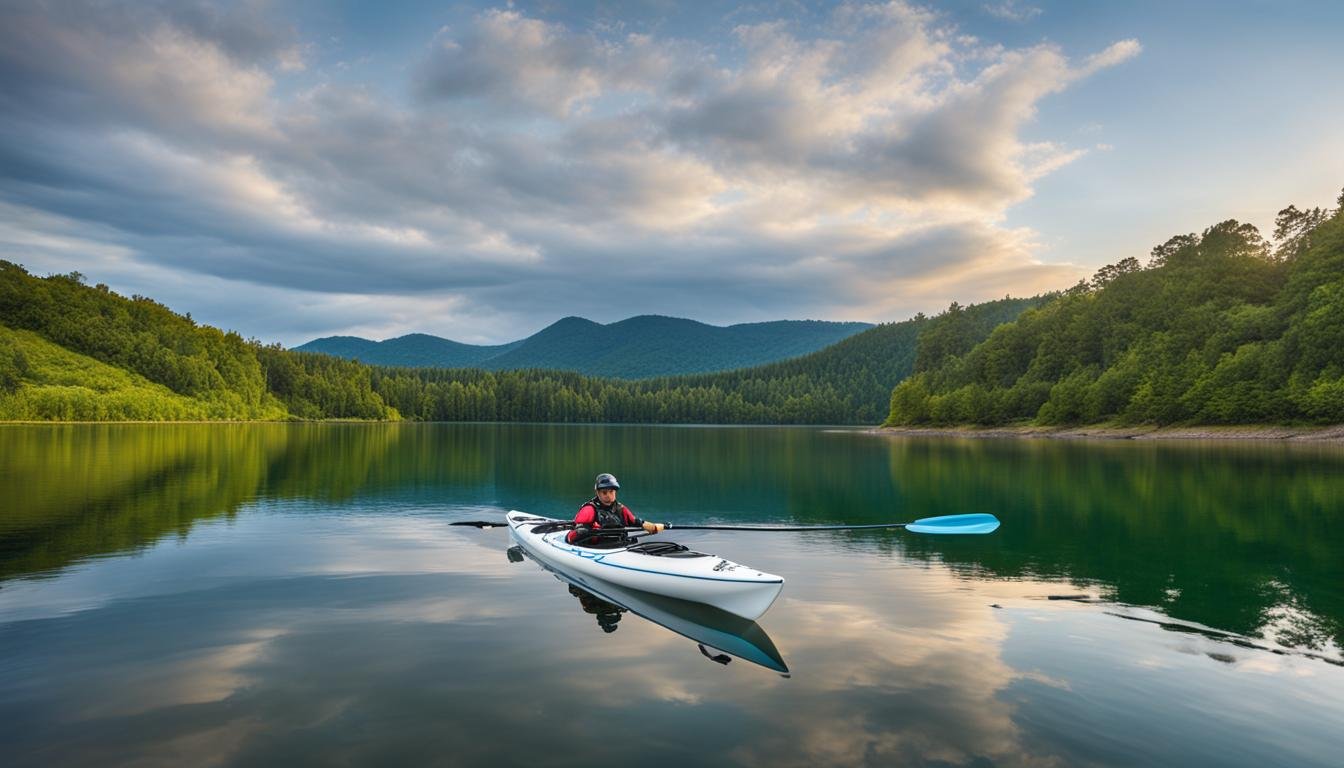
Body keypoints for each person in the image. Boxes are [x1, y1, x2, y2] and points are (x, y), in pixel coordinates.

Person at [567, 473, 664, 546]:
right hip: (597, 548)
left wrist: (652, 527)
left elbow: (635, 521)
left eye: (611, 492)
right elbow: (573, 536)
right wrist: (585, 531)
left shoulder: (620, 508)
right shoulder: (589, 510)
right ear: (597, 493)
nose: (608, 495)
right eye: (604, 492)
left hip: (620, 547)